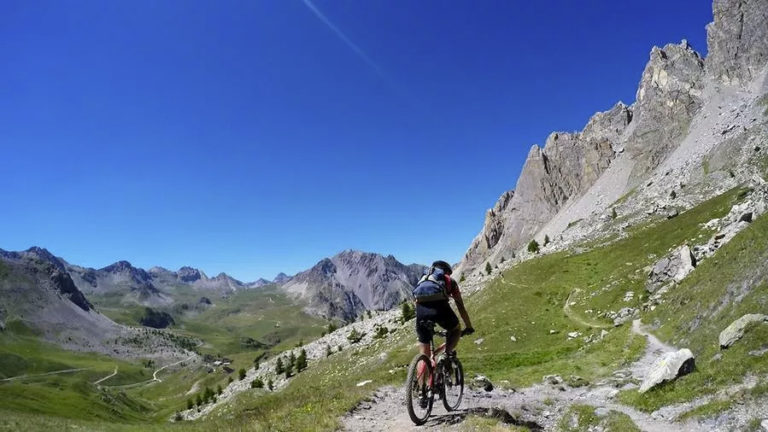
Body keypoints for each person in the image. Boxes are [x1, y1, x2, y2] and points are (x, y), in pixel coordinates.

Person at [413, 260, 474, 359]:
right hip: (440, 308)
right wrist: (468, 326)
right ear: (446, 272)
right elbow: (460, 307)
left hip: (421, 311)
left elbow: (415, 300)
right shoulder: (450, 281)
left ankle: (421, 370)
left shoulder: (423, 280)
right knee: (455, 329)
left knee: (424, 354)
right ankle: (446, 354)